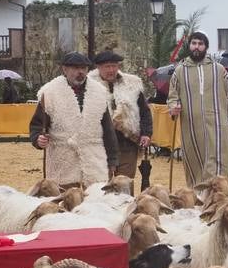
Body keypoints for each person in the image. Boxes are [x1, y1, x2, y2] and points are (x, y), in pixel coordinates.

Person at [30, 52, 117, 187]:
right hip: (62, 162)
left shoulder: (99, 92)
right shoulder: (49, 93)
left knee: (95, 204)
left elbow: (108, 130)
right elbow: (36, 125)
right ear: (65, 69)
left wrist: (112, 160)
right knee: (63, 203)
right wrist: (37, 139)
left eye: (83, 68)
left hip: (94, 160)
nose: (80, 72)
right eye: (75, 68)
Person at [167, 31, 228, 184]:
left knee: (219, 162)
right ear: (189, 46)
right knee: (195, 163)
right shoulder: (180, 71)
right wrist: (173, 107)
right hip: (191, 127)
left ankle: (219, 197)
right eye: (194, 43)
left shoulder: (219, 70)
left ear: (206, 47)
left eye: (200, 44)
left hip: (218, 127)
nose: (197, 47)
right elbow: (172, 97)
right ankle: (197, 198)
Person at [89, 50, 151, 179]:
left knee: (125, 184)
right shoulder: (89, 86)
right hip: (99, 144)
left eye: (114, 66)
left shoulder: (132, 84)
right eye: (107, 66)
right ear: (98, 67)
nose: (111, 70)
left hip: (127, 142)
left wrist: (146, 133)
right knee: (100, 184)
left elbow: (144, 111)